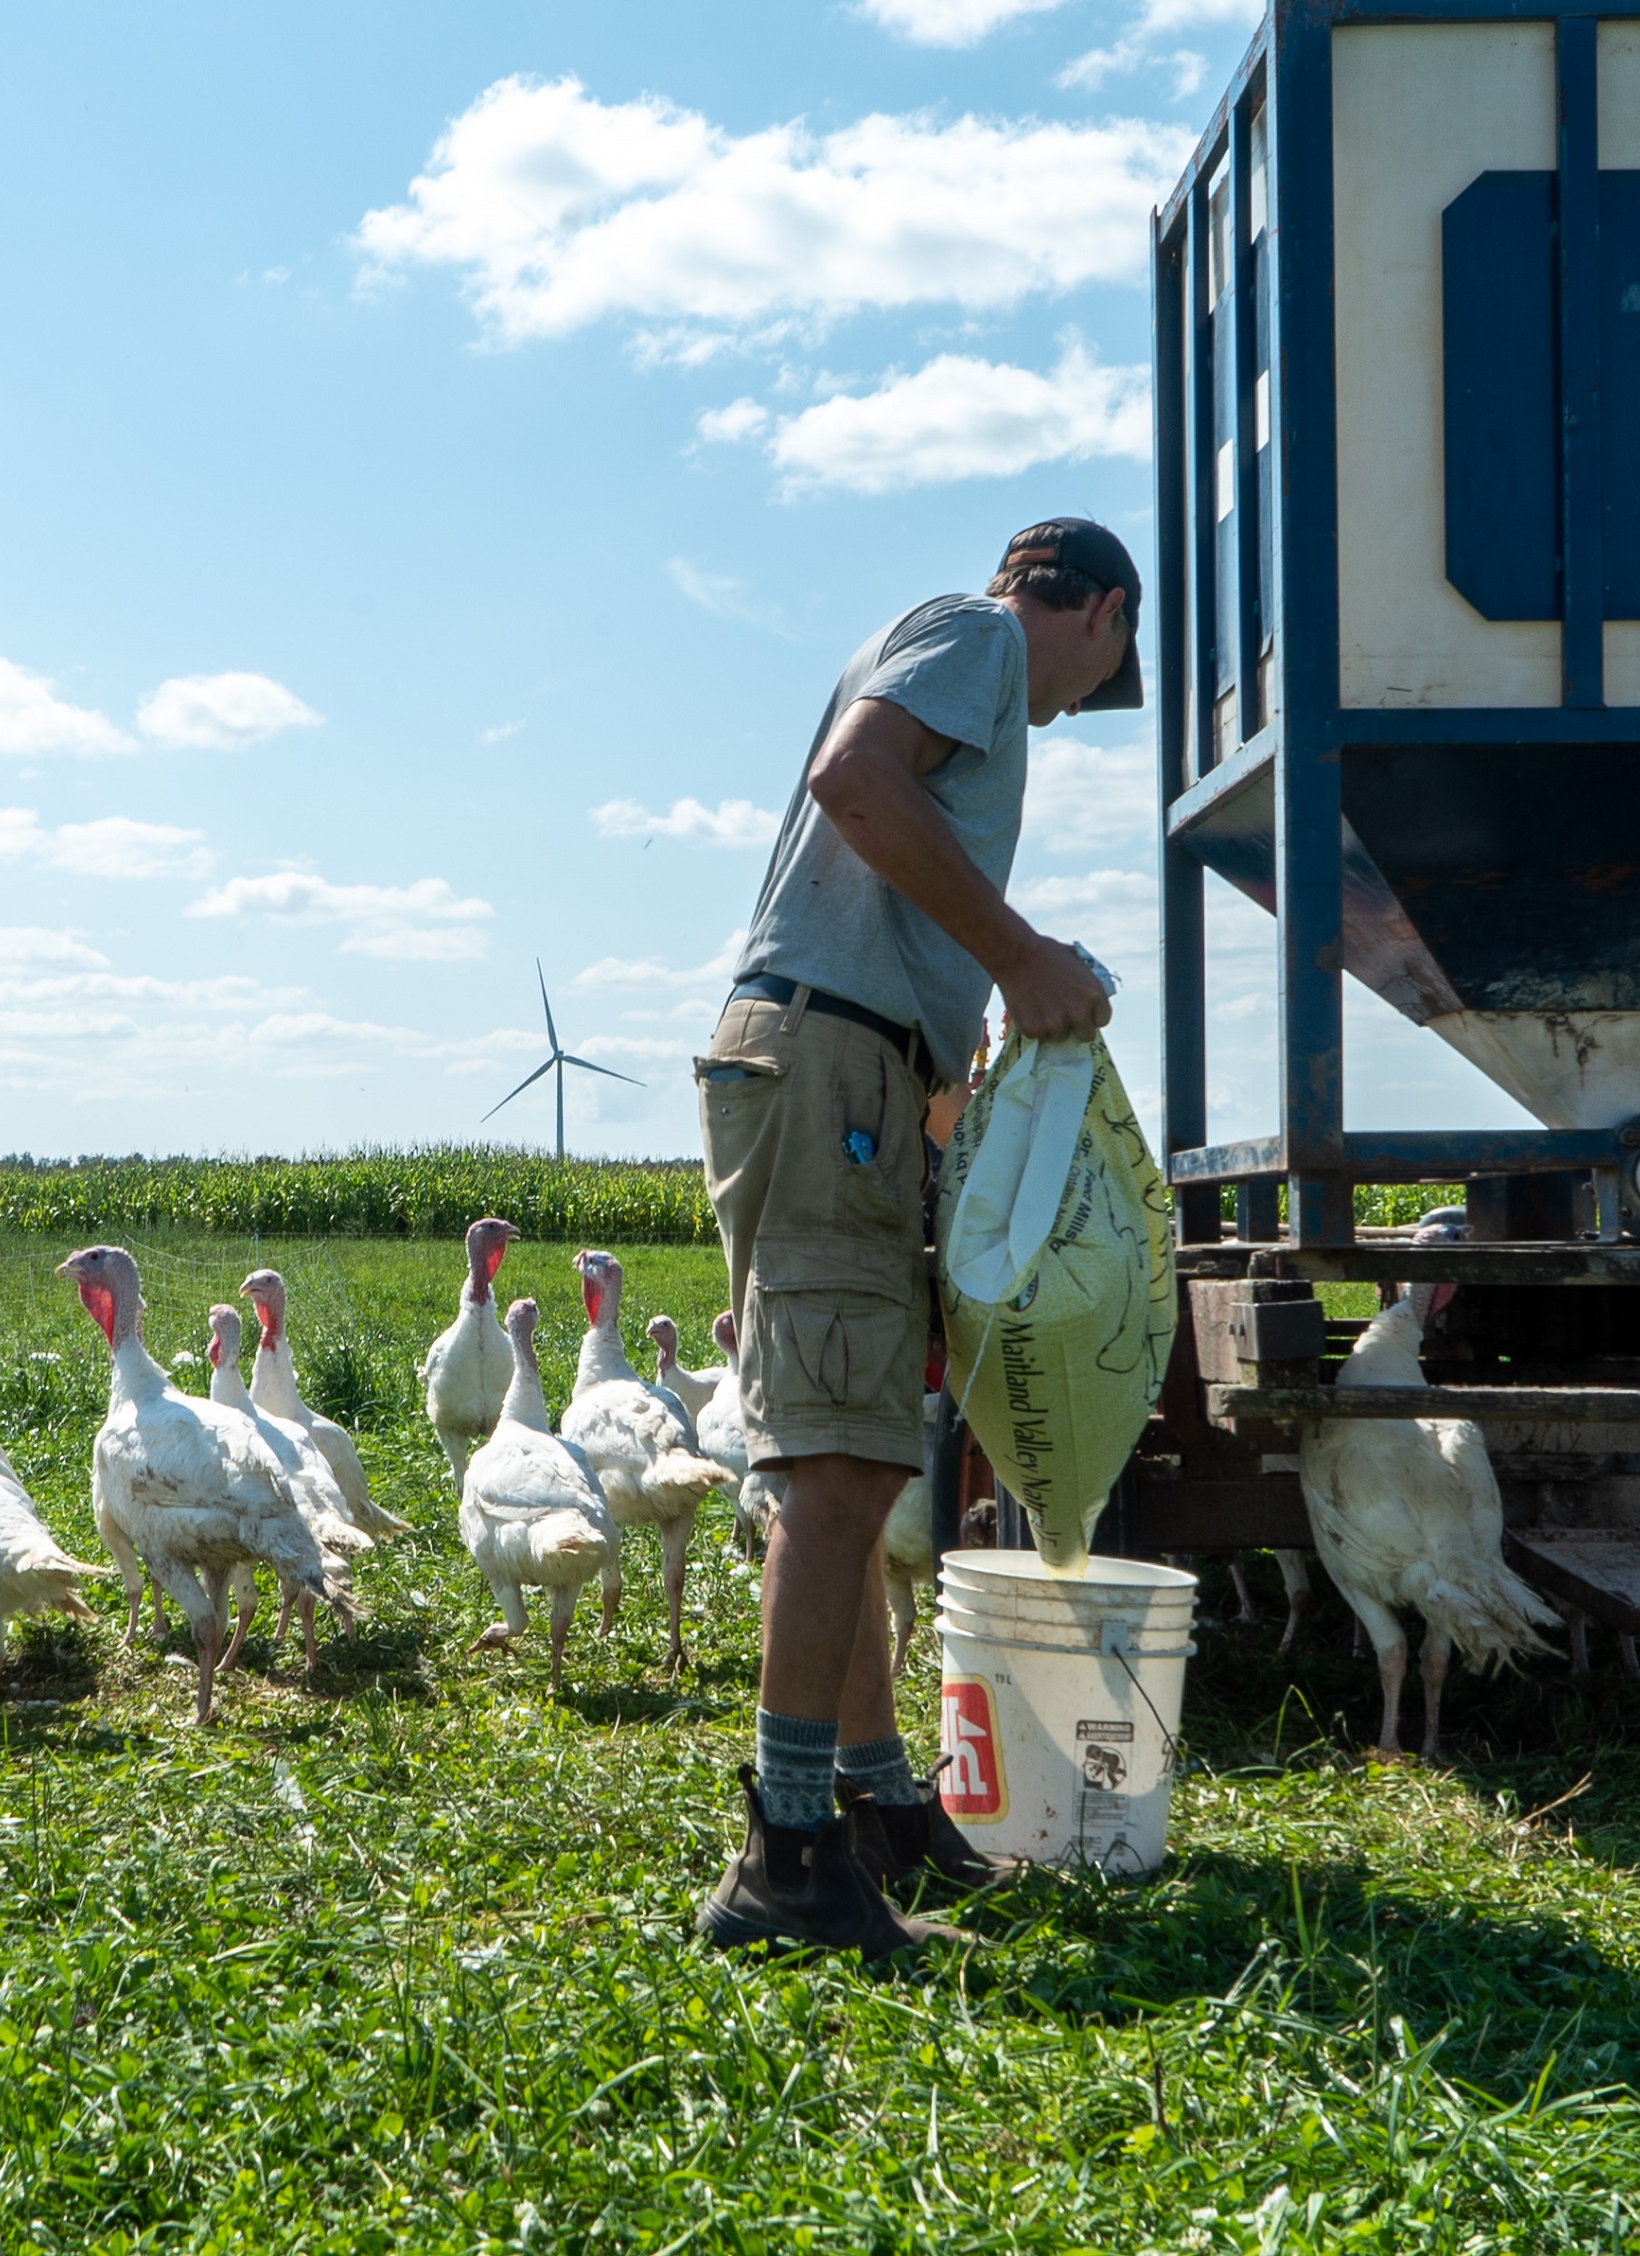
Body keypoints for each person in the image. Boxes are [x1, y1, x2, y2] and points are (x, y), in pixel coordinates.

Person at [692, 519, 1141, 1957]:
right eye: (1109, 672)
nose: (1079, 710)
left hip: (856, 1074)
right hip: (833, 1065)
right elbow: (856, 782)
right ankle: (786, 1857)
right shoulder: (984, 636)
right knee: (842, 1463)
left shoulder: (965, 652)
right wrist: (1020, 956)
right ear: (1101, 611)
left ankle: (878, 1812)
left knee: (854, 1451)